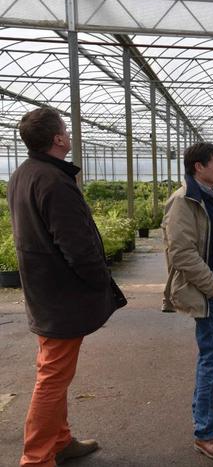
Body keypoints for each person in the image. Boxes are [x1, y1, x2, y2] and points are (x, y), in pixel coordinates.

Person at [8, 107, 127, 467]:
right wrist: (99, 280)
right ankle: (36, 458)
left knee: (54, 371)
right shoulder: (53, 181)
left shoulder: (25, 173)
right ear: (58, 139)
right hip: (59, 296)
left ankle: (59, 441)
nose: (69, 134)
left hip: (44, 291)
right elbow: (76, 245)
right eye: (65, 129)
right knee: (53, 377)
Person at [162, 142, 213, 461]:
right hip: (212, 293)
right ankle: (205, 432)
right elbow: (182, 253)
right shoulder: (184, 201)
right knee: (212, 359)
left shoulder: (211, 197)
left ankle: (211, 415)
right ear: (198, 167)